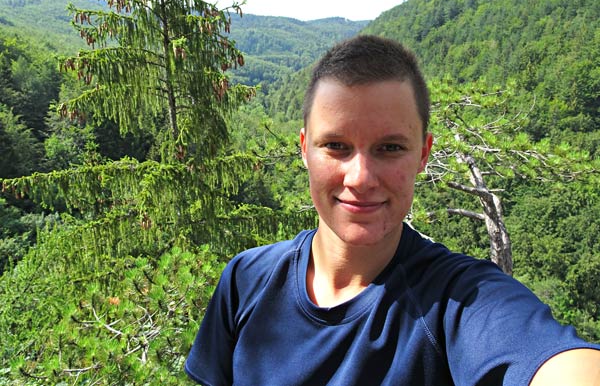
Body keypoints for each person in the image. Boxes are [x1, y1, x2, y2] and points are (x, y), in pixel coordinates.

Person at [185, 35, 600, 385]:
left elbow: (557, 363)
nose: (361, 177)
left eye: (389, 148)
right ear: (304, 149)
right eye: (336, 146)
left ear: (422, 154)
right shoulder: (246, 280)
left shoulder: (455, 301)